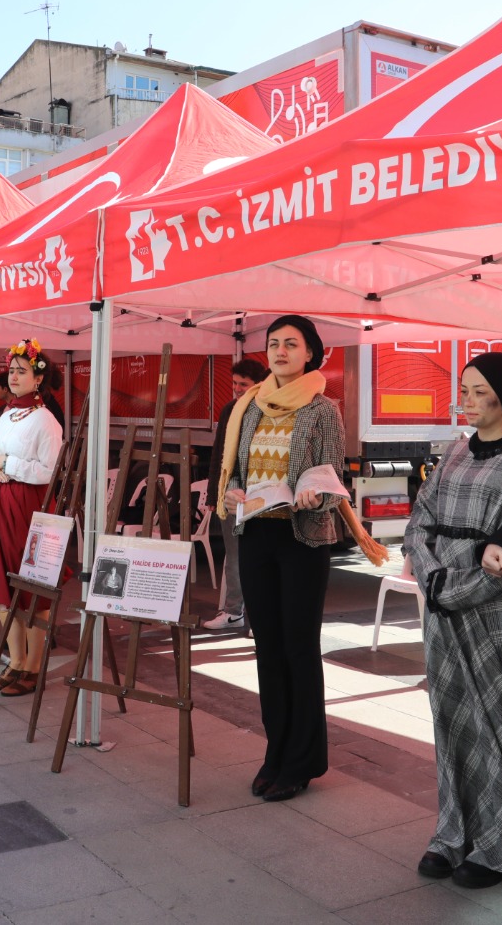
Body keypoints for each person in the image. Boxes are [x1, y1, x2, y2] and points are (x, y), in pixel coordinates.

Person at [406, 352, 502, 889]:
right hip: (444, 609)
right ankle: (452, 833)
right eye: (462, 387)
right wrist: (433, 578)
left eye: (476, 389)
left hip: (499, 614)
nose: (463, 397)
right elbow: (420, 521)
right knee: (452, 724)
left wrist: (456, 588)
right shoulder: (455, 452)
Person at [218, 315, 345, 804]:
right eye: (274, 344)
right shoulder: (248, 406)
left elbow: (334, 478)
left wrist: (315, 496)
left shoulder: (322, 409)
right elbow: (238, 470)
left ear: (310, 353)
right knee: (267, 649)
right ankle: (275, 753)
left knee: (297, 649)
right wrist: (231, 492)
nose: (280, 351)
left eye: (292, 344)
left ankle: (302, 760)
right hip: (256, 537)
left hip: (301, 540)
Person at [0, 339, 64, 697]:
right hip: (1, 501)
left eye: (21, 371)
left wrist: (7, 465)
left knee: (32, 587)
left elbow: (49, 471)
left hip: (30, 506)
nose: (14, 376)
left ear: (38, 379)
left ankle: (34, 665)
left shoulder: (46, 420)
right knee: (1, 583)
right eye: (11, 370)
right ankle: (16, 660)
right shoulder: (8, 413)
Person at [201, 358, 269, 632]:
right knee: (234, 555)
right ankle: (233, 611)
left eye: (244, 384)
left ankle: (258, 618)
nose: (237, 389)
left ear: (259, 384)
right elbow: (218, 454)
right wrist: (212, 495)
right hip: (231, 492)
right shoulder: (230, 409)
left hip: (261, 492)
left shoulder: (267, 408)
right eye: (235, 383)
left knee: (260, 558)